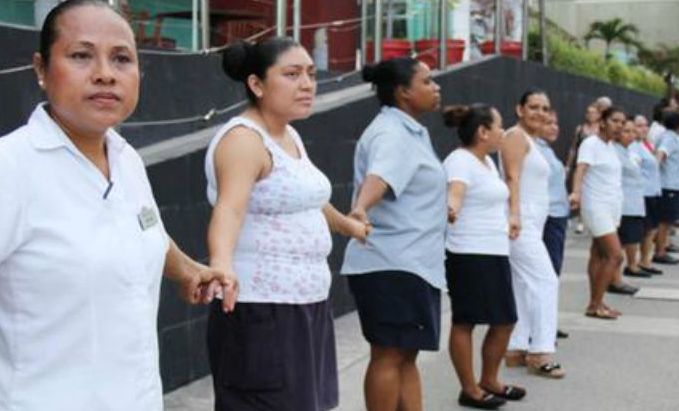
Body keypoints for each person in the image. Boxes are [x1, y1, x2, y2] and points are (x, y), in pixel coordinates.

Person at [0, 0, 238, 410]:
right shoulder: (9, 165)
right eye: (81, 56)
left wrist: (186, 269)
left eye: (121, 58)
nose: (105, 73)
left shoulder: (125, 159)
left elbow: (144, 225)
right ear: (40, 70)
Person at [207, 37, 370, 410]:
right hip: (261, 308)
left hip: (305, 303)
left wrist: (349, 226)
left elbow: (308, 198)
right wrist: (221, 264)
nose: (308, 84)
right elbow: (229, 210)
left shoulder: (289, 134)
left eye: (311, 74)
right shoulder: (243, 141)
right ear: (257, 84)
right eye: (292, 74)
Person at [341, 57, 445, 411]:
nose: (436, 87)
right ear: (403, 92)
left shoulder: (410, 130)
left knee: (405, 356)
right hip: (393, 264)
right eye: (428, 81)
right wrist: (361, 208)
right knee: (389, 355)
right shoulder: (392, 133)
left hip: (413, 263)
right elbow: (379, 177)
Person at [441, 104, 526, 409]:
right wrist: (451, 207)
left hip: (494, 250)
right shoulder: (460, 161)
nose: (503, 132)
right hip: (468, 253)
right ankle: (470, 389)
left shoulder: (487, 162)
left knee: (505, 320)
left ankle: (489, 380)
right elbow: (456, 193)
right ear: (483, 132)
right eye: (500, 126)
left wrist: (511, 220)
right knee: (465, 321)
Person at [500, 90, 565, 377]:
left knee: (524, 286)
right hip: (520, 222)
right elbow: (511, 176)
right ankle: (540, 351)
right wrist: (514, 215)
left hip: (531, 223)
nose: (541, 113)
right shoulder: (515, 136)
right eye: (534, 107)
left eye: (546, 108)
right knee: (546, 281)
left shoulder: (533, 141)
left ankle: (516, 348)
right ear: (519, 108)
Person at [570, 106, 627, 319]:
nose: (619, 125)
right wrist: (576, 192)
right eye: (615, 120)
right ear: (602, 122)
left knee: (599, 254)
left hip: (612, 206)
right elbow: (581, 169)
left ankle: (597, 302)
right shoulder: (591, 143)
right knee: (615, 255)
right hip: (596, 206)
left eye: (622, 122)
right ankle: (595, 304)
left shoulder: (611, 146)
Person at [539, 111, 571, 339]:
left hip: (558, 215)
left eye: (555, 123)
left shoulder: (547, 150)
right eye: (548, 123)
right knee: (546, 273)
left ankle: (546, 322)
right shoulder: (534, 150)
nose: (554, 127)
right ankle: (540, 327)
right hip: (547, 217)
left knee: (552, 272)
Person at [614, 118, 652, 283]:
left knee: (633, 237)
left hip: (635, 201)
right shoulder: (615, 151)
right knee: (623, 243)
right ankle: (616, 279)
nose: (631, 135)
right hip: (624, 204)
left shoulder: (630, 150)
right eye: (626, 131)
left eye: (632, 131)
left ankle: (627, 270)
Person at [632, 115, 665, 276]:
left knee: (651, 229)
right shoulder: (633, 147)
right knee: (646, 229)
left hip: (653, 191)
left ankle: (645, 260)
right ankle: (640, 261)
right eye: (639, 126)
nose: (643, 129)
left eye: (645, 126)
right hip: (643, 193)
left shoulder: (646, 144)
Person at [653, 111, 679, 266]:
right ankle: (660, 251)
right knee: (665, 221)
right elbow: (660, 154)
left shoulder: (666, 136)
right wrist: (656, 168)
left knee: (667, 221)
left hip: (672, 183)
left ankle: (663, 246)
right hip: (669, 184)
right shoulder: (669, 138)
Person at [567, 103, 602, 234]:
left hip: (595, 165)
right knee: (580, 190)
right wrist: (569, 164)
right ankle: (581, 220)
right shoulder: (580, 129)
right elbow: (573, 147)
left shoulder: (600, 130)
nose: (590, 115)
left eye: (593, 112)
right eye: (588, 112)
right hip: (582, 162)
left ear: (598, 115)